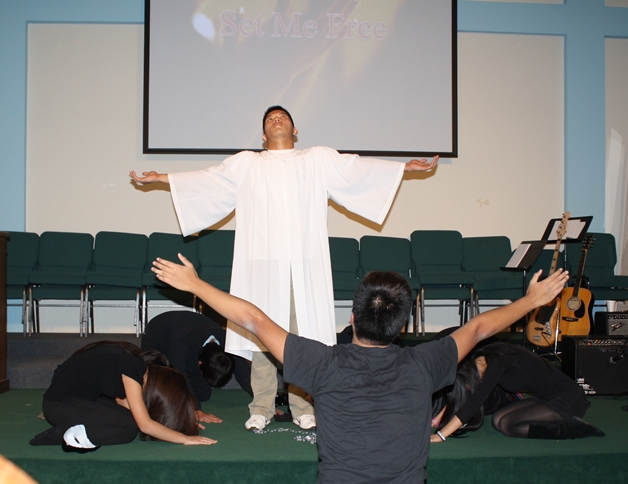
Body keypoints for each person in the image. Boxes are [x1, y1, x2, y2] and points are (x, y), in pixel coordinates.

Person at [150, 252, 568, 484]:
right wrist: (532, 300)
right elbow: (478, 329)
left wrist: (195, 284)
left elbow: (255, 320)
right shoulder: (425, 363)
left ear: (351, 319)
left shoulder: (323, 363)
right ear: (402, 327)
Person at [130, 105, 438, 432]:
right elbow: (209, 180)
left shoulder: (316, 160)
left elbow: (357, 170)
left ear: (295, 130)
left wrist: (404, 168)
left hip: (303, 266)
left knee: (301, 337)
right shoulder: (247, 164)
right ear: (263, 136)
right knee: (261, 335)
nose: (276, 120)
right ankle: (261, 406)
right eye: (269, 119)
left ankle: (303, 406)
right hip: (262, 266)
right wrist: (160, 178)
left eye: (283, 118)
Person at [29, 341, 216, 452]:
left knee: (127, 418)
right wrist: (184, 438)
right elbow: (145, 424)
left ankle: (73, 428)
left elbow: (130, 406)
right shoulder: (132, 372)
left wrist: (181, 415)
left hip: (72, 400)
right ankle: (65, 435)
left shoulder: (132, 365)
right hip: (59, 405)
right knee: (129, 429)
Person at [430, 340, 605, 442]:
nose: (469, 389)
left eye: (468, 386)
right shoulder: (482, 359)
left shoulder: (496, 365)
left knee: (507, 425)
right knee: (497, 420)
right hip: (546, 398)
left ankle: (574, 430)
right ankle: (557, 422)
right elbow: (462, 393)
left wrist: (441, 435)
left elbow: (473, 403)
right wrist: (437, 418)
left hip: (568, 399)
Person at [141, 310, 252, 424]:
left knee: (203, 394)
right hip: (156, 338)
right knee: (163, 389)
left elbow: (244, 371)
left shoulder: (226, 340)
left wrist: (260, 398)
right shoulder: (180, 343)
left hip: (188, 337)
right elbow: (181, 375)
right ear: (200, 363)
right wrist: (196, 410)